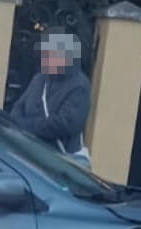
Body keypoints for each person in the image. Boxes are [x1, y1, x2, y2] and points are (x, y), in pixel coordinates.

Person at [8, 32, 92, 166]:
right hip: (29, 154)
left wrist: (26, 126)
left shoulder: (80, 85)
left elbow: (65, 124)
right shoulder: (40, 78)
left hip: (59, 162)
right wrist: (17, 121)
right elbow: (19, 106)